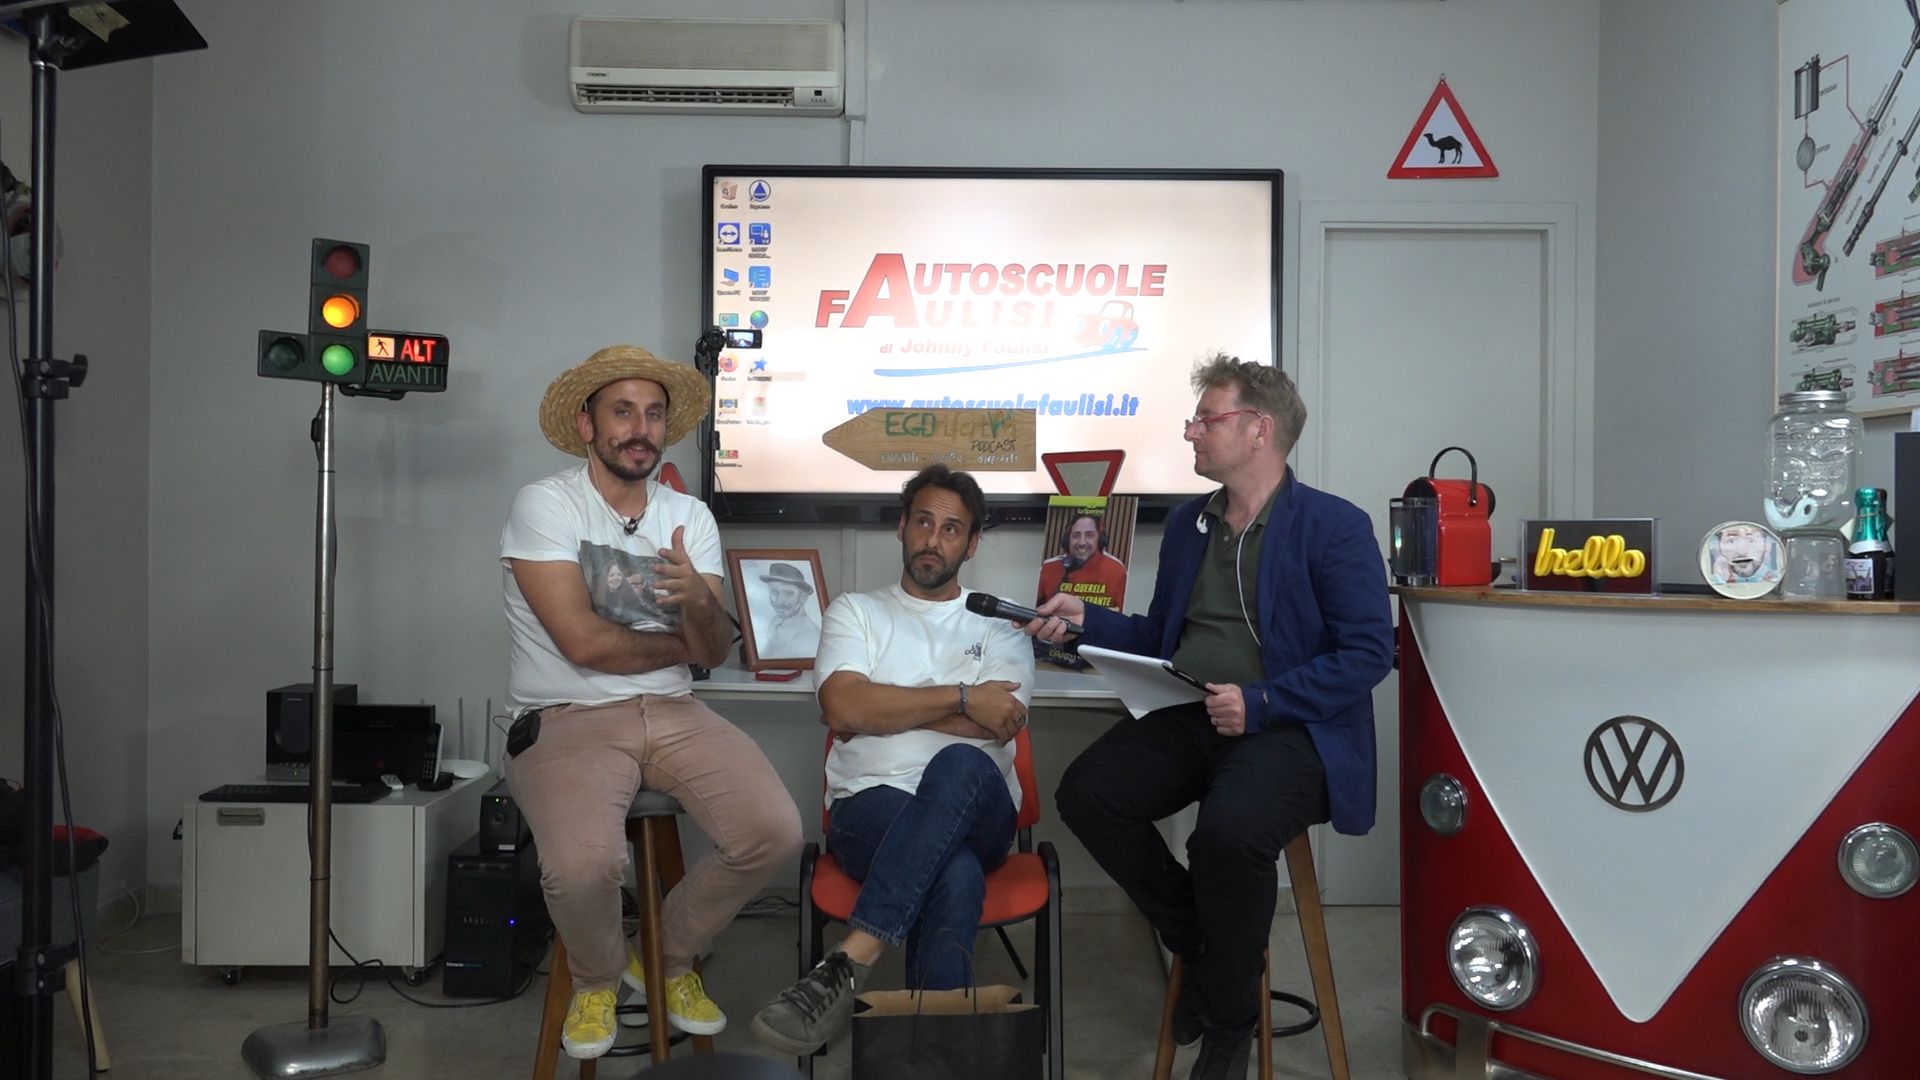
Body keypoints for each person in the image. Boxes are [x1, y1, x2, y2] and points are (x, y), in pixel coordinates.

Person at [1025, 354, 1393, 1080]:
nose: (1191, 431)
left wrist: (1262, 702)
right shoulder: (1190, 524)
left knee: (1227, 835)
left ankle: (1228, 1026)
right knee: (1088, 793)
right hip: (1192, 710)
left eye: (1206, 419)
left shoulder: (1335, 526)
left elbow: (1367, 654)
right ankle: (1200, 939)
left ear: (1259, 429)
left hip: (1291, 729)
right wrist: (1087, 622)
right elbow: (1162, 635)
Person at [501, 344, 802, 1060]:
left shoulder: (689, 516)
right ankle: (596, 979)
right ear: (587, 425)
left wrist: (699, 603)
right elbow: (583, 643)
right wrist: (687, 639)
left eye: (654, 414)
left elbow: (713, 649)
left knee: (774, 830)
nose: (640, 429)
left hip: (672, 712)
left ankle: (663, 955)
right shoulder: (545, 505)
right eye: (623, 412)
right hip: (566, 716)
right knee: (583, 867)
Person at [750, 464, 1034, 1057]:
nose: (933, 539)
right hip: (869, 807)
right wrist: (963, 698)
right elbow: (841, 706)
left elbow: (999, 720)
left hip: (981, 809)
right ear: (901, 528)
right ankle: (936, 1061)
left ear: (971, 544)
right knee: (953, 872)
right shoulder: (854, 611)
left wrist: (882, 708)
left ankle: (853, 957)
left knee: (958, 765)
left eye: (951, 529)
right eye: (923, 522)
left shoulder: (1002, 626)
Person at [1035, 511, 1130, 609]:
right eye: (1076, 535)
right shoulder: (1048, 568)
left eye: (1089, 535)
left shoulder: (1116, 570)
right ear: (1067, 540)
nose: (1082, 543)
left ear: (1100, 539)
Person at [757, 562, 822, 660]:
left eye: (788, 593)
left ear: (803, 597)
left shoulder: (809, 635)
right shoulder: (775, 622)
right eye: (774, 592)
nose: (779, 601)